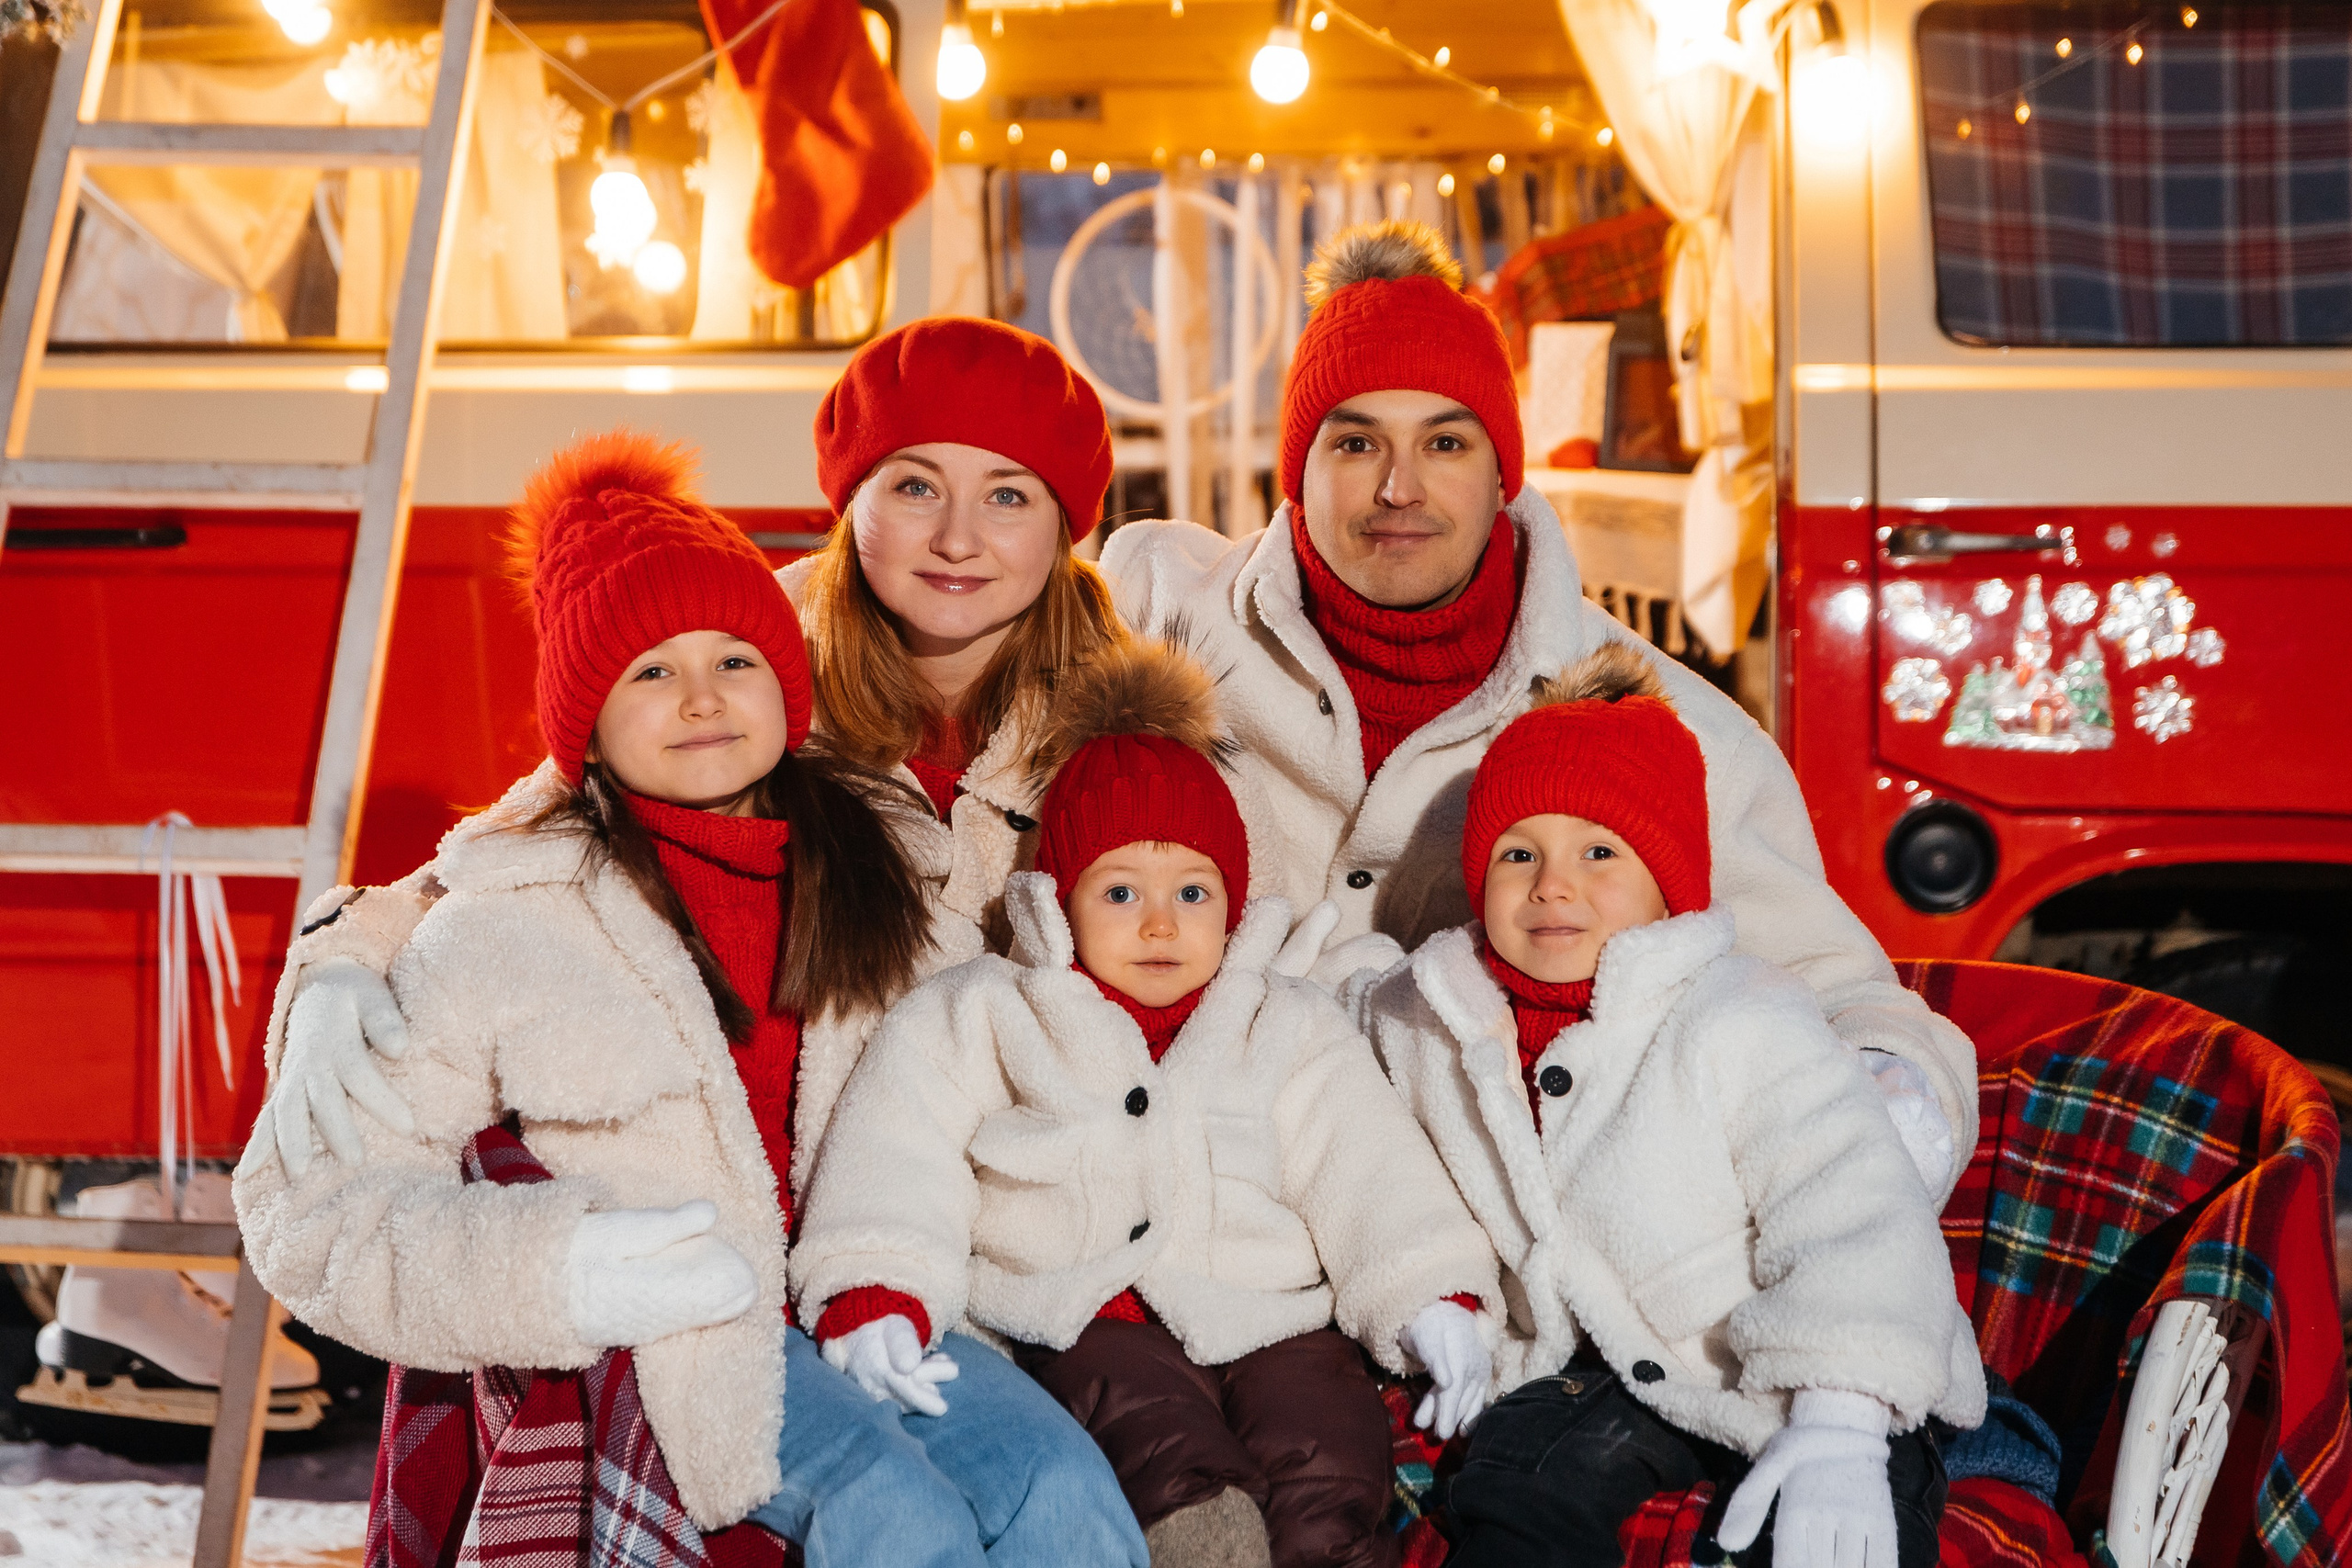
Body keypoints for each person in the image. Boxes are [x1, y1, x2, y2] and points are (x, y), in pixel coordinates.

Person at [232, 434, 1148, 1568]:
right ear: (586, 724)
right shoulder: (509, 921)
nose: (703, 699)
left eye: (735, 660)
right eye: (650, 672)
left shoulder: (880, 861)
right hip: (684, 1335)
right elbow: (304, 1214)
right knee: (890, 1515)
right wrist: (562, 1270)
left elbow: (980, 1068)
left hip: (874, 1303)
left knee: (1060, 1490)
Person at [1098, 221, 1975, 1199]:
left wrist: (1871, 1145)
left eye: (1444, 441)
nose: (1398, 487)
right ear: (1294, 469)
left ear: (1500, 470)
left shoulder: (1655, 721)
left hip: (1496, 1249)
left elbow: (1839, 994)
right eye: (1354, 442)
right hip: (1196, 1206)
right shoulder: (1157, 623)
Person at [247, 316, 1125, 1208]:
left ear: (1066, 524)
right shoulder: (744, 664)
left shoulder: (1123, 728)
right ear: (849, 503)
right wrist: (339, 967)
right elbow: (502, 854)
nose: (957, 539)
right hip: (831, 1199)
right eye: (913, 487)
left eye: (1008, 496)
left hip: (1033, 1203)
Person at [789, 637, 1501, 1568]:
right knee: (1161, 1445)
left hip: (1269, 1315)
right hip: (1086, 1315)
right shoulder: (991, 1011)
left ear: (1233, 904)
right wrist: (877, 1285)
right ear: (1059, 899)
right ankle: (1201, 1543)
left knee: (1329, 1447)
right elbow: (899, 1144)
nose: (1160, 924)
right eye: (1120, 891)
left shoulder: (1283, 1023)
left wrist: (1430, 1292)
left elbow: (1365, 1164)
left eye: (1191, 892)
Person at [1362, 645, 1984, 1568]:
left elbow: (1855, 1207)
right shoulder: (1432, 1015)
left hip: (1797, 1355)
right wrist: (1426, 1290)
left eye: (1599, 853)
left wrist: (1844, 1416)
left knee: (1851, 1528)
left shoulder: (1740, 1016)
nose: (1551, 885)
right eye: (1517, 852)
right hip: (1596, 1371)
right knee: (1514, 1485)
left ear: (1667, 885)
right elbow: (1367, 1147)